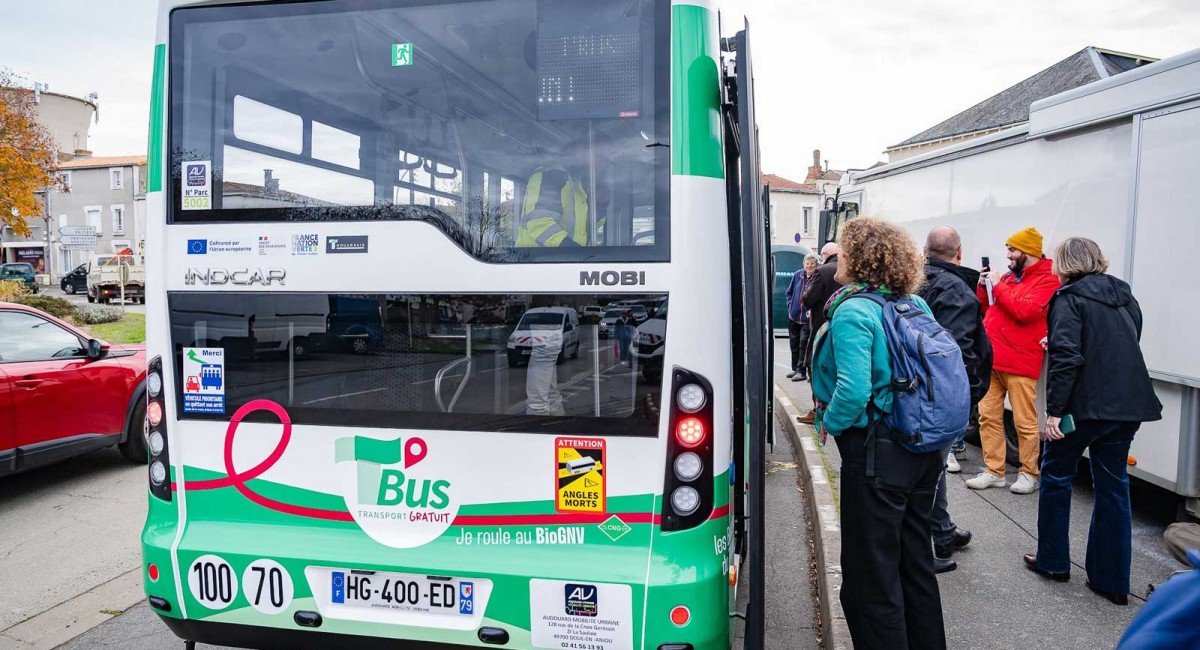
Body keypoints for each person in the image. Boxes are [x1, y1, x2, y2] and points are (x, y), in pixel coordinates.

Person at [811, 217, 946, 650]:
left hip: (876, 454)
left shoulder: (853, 310)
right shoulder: (913, 305)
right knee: (915, 566)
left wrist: (826, 425)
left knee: (871, 578)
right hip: (922, 449)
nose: (840, 260)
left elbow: (853, 391)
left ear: (863, 259)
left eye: (845, 252)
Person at [1023, 237, 1162, 605]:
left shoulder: (1068, 297)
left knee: (1056, 475)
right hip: (1128, 406)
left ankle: (1052, 561)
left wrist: (1054, 412)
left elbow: (1068, 357)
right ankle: (1111, 580)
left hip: (1085, 407)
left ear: (1063, 264)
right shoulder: (1124, 295)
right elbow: (1122, 342)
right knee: (1113, 486)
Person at [918, 226, 992, 573]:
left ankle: (943, 530)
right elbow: (959, 354)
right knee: (928, 473)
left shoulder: (915, 280)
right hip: (940, 396)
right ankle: (936, 543)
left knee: (933, 468)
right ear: (959, 253)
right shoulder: (957, 290)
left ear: (925, 250)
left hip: (918, 392)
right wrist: (969, 395)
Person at [966, 227, 1061, 494]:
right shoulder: (1009, 276)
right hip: (993, 358)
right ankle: (994, 471)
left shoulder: (1047, 280)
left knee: (1024, 421)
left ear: (1027, 251)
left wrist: (1000, 285)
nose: (1007, 255)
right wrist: (984, 286)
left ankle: (1029, 472)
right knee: (988, 417)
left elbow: (1025, 311)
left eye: (1012, 249)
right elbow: (988, 306)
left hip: (1020, 359)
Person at [798, 242, 843, 423]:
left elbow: (808, 299)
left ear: (824, 254)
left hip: (821, 328)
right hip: (842, 328)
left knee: (814, 366)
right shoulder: (849, 272)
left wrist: (804, 296)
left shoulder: (822, 271)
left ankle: (818, 411)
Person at [785, 253, 820, 381]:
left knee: (803, 345)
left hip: (807, 319)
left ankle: (802, 371)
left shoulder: (817, 276)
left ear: (816, 265)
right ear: (803, 264)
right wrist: (790, 307)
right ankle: (795, 369)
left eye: (812, 264)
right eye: (807, 264)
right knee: (793, 344)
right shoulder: (797, 275)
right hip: (794, 317)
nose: (809, 266)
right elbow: (789, 293)